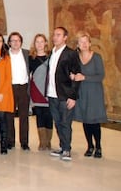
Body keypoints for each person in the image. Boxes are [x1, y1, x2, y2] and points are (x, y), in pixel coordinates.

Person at [47, 27, 81, 161]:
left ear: (65, 37)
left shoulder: (71, 54)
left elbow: (77, 76)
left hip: (65, 95)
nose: (55, 37)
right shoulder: (52, 52)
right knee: (58, 122)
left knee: (66, 122)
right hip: (52, 94)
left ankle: (67, 149)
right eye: (54, 35)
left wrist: (73, 97)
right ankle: (62, 146)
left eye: (58, 35)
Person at [72, 31, 107, 158]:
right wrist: (73, 76)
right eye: (81, 42)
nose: (84, 44)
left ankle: (98, 146)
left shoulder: (96, 57)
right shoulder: (75, 58)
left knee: (94, 121)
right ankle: (89, 145)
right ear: (78, 44)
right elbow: (73, 72)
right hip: (82, 93)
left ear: (90, 43)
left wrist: (84, 77)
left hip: (94, 93)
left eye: (86, 41)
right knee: (85, 120)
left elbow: (101, 75)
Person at [29, 34, 53, 150]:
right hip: (36, 91)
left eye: (41, 41)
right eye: (37, 42)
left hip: (49, 90)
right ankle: (42, 142)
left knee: (49, 116)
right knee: (39, 115)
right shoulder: (31, 58)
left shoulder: (52, 57)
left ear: (46, 43)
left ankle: (48, 141)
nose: (39, 44)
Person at [7, 32, 30, 150]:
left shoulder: (27, 54)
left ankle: (24, 142)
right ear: (9, 43)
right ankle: (10, 140)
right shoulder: (5, 55)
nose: (15, 43)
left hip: (23, 87)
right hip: (10, 88)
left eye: (18, 40)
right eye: (13, 40)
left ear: (21, 42)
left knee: (24, 115)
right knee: (9, 115)